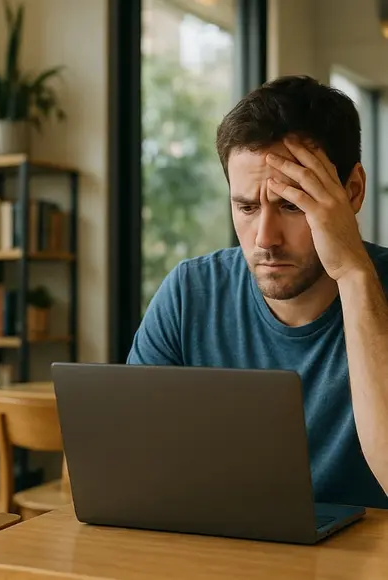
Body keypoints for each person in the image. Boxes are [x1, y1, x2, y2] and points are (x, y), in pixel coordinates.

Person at [128, 75, 388, 509]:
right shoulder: (189, 293)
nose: (264, 238)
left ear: (353, 191)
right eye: (246, 207)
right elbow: (132, 465)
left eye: (291, 205)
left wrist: (354, 275)